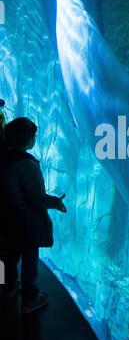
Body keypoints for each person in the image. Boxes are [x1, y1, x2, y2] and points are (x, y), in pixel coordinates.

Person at [0, 117, 66, 313]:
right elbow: (36, 198)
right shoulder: (26, 165)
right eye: (33, 136)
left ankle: (7, 287)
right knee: (30, 259)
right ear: (27, 140)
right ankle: (30, 299)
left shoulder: (3, 157)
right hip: (26, 222)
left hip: (7, 219)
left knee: (8, 256)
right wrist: (55, 202)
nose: (35, 138)